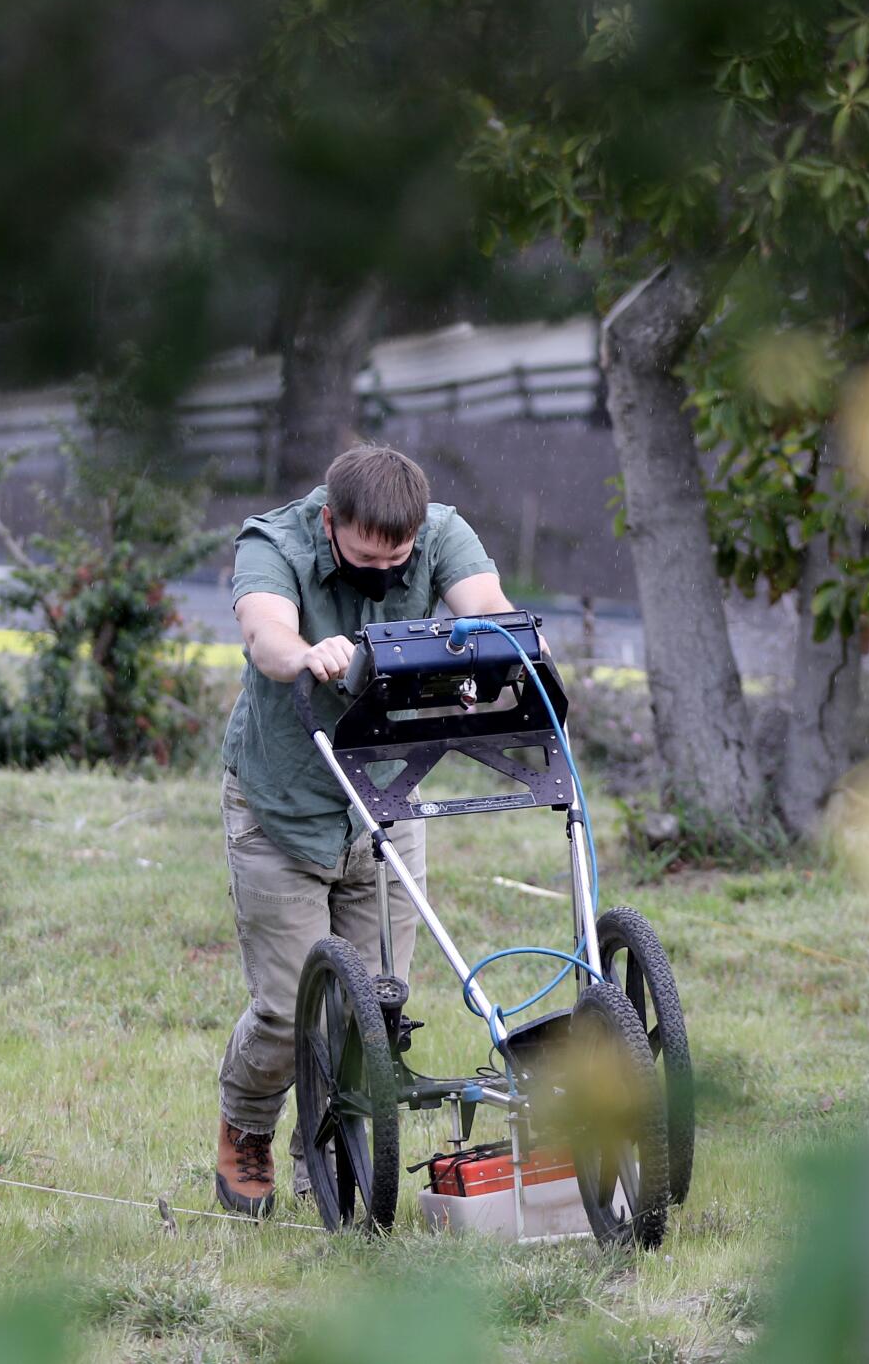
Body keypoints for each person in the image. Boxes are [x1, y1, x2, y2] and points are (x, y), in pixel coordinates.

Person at [213, 443, 516, 1217]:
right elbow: (264, 634)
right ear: (330, 522)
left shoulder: (442, 531)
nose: (384, 570)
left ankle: (327, 1152)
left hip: (383, 794)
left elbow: (487, 605)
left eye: (399, 557)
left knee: (377, 1006)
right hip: (281, 803)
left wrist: (499, 648)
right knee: (288, 1013)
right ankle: (245, 1127)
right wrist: (309, 652)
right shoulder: (272, 543)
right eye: (363, 556)